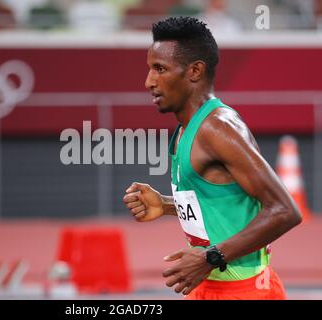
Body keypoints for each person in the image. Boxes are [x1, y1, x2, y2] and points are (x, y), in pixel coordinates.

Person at [123, 16, 302, 300]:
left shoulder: (218, 128)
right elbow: (224, 204)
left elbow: (285, 211)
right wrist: (167, 205)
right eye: (149, 69)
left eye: (160, 69)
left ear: (194, 71)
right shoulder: (185, 129)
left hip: (246, 292)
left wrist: (210, 258)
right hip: (207, 286)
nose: (149, 82)